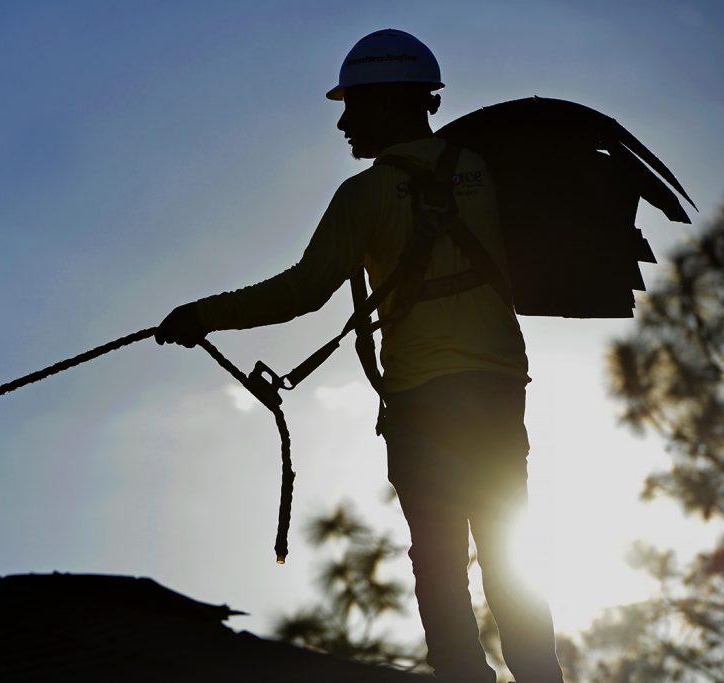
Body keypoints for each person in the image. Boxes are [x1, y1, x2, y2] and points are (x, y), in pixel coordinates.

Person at [156, 29, 564, 683]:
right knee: (505, 551)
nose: (343, 121)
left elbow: (300, 292)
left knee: (437, 560)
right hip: (496, 391)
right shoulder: (486, 169)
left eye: (353, 104)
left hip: (422, 401)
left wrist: (200, 316)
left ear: (389, 102)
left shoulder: (364, 196)